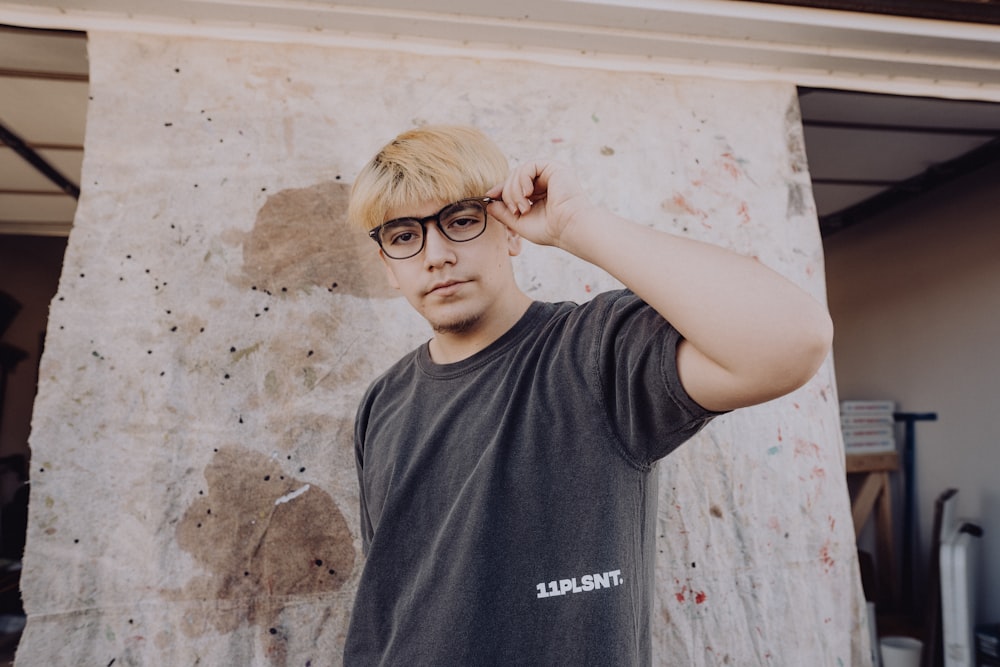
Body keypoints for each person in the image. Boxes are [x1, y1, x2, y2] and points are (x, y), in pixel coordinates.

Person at [343, 125, 833, 665]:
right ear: (388, 264)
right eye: (404, 236)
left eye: (461, 221)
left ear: (508, 230)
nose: (435, 255)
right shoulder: (382, 401)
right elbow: (388, 591)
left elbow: (792, 338)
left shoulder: (595, 351)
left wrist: (579, 224)